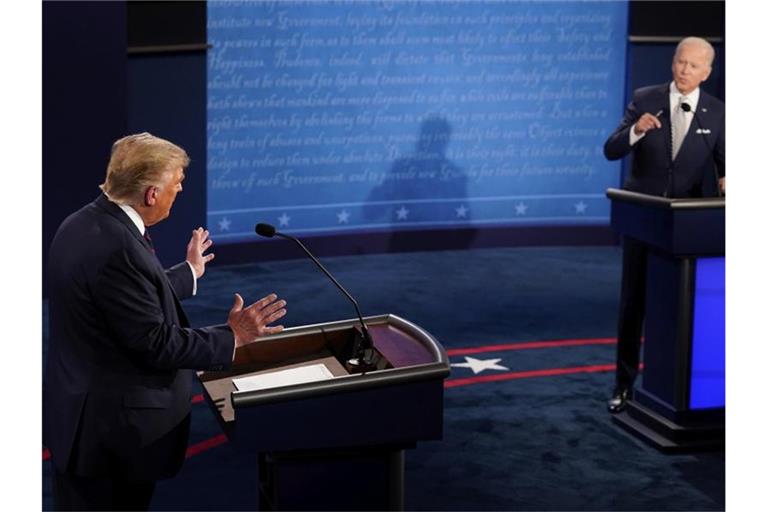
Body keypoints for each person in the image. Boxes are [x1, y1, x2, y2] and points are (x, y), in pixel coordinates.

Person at [43, 133, 288, 510]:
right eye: (176, 186)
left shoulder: (82, 224)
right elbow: (155, 343)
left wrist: (188, 272)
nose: (178, 193)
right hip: (111, 439)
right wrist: (233, 336)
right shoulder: (118, 248)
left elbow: (122, 299)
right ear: (152, 194)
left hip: (83, 422)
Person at [603, 37, 725, 413]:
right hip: (645, 218)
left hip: (687, 228)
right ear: (672, 63)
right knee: (633, 305)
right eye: (680, 62)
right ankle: (624, 385)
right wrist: (636, 130)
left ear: (706, 72)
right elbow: (612, 149)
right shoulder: (645, 97)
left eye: (693, 66)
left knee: (679, 309)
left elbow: (727, 164)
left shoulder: (718, 113)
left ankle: (673, 392)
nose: (684, 70)